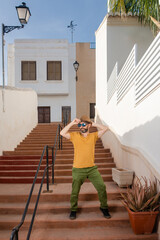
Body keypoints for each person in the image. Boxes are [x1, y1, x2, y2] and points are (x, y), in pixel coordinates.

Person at [60, 115, 111, 220]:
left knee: (101, 187)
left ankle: (104, 208)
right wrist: (72, 123)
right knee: (75, 191)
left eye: (83, 124)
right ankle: (73, 210)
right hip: (78, 169)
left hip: (92, 169)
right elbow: (62, 133)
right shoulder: (74, 135)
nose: (81, 127)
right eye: (79, 125)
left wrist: (93, 124)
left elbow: (106, 129)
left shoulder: (93, 136)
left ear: (88, 125)